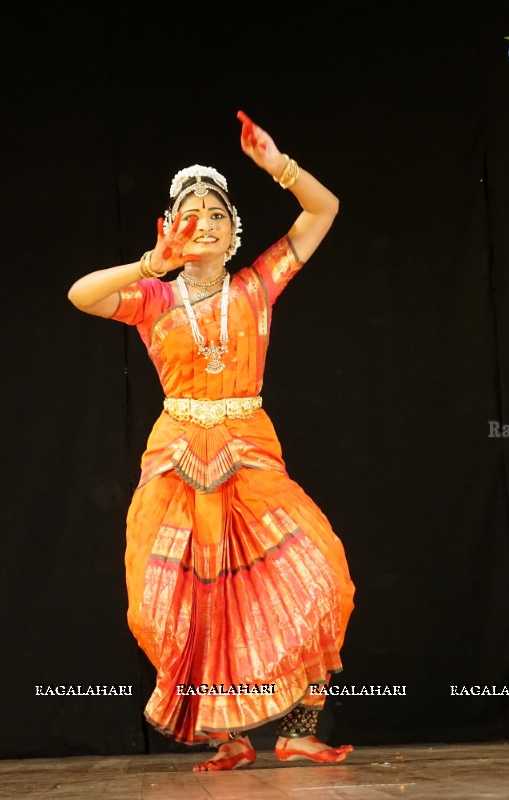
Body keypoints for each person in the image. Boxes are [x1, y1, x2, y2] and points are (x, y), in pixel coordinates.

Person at [67, 111, 355, 771]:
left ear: (233, 233)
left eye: (218, 213)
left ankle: (299, 728)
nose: (206, 220)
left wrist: (278, 165)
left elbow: (324, 209)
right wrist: (148, 263)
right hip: (176, 459)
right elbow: (80, 296)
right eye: (190, 212)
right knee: (185, 606)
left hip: (250, 452)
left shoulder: (257, 286)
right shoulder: (152, 299)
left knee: (323, 578)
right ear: (172, 229)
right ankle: (228, 738)